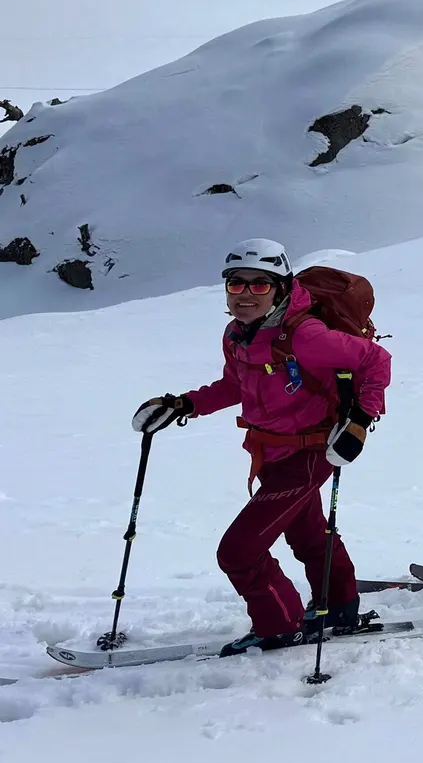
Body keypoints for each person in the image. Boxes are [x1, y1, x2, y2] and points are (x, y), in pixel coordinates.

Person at [133, 239, 390, 654]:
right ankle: (340, 606)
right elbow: (234, 385)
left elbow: (376, 360)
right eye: (237, 285)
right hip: (270, 452)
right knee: (308, 535)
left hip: (310, 452)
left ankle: (279, 625)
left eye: (259, 285)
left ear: (280, 288)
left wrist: (360, 419)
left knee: (238, 551)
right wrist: (185, 404)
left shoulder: (306, 336)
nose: (246, 294)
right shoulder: (237, 335)